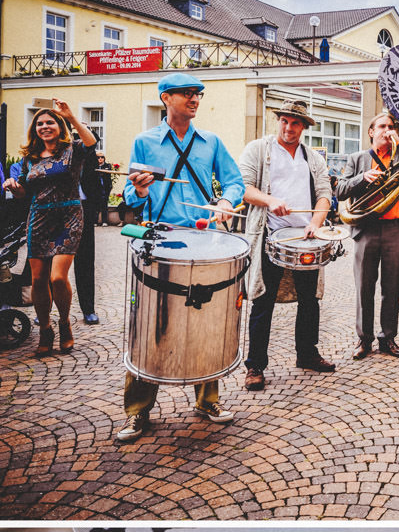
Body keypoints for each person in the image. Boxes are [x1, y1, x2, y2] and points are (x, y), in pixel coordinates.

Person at [117, 76, 245, 442]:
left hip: (203, 239)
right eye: (187, 94)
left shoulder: (211, 142)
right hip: (161, 241)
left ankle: (208, 401)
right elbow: (131, 195)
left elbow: (234, 182)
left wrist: (224, 201)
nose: (194, 99)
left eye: (197, 94)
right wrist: (139, 188)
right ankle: (138, 411)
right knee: (147, 326)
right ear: (165, 98)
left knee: (206, 321)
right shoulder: (145, 141)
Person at [236, 99, 336, 391]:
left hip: (305, 239)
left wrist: (315, 224)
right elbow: (244, 188)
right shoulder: (259, 149)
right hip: (270, 236)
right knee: (263, 299)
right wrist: (270, 201)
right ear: (277, 121)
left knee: (309, 300)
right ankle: (255, 365)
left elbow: (324, 195)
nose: (288, 127)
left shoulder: (312, 158)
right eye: (284, 121)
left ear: (303, 127)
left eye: (295, 123)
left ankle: (307, 354)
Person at [2, 100, 97, 356]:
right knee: (38, 279)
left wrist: (72, 116)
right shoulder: (29, 158)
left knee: (57, 276)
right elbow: (23, 192)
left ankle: (64, 322)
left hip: (69, 216)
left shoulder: (73, 149)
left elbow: (91, 142)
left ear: (59, 126)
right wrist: (13, 185)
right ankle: (45, 328)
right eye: (40, 123)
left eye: (50, 122)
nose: (45, 126)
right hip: (39, 218)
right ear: (35, 129)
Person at [339, 112, 399, 360]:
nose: (387, 131)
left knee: (391, 288)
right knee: (364, 287)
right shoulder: (357, 158)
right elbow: (339, 189)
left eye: (391, 127)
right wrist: (362, 178)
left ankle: (388, 338)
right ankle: (363, 339)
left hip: (395, 230)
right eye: (382, 126)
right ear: (371, 131)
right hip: (366, 228)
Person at [72, 141, 111, 325]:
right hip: (57, 209)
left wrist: (95, 210)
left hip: (84, 208)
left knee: (85, 260)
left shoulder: (89, 154)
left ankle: (88, 309)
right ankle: (44, 310)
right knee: (50, 265)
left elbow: (97, 184)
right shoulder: (56, 151)